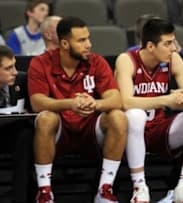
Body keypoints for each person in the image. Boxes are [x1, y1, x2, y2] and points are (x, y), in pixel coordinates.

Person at [27, 16, 128, 203]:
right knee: (45, 118)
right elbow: (37, 102)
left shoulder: (96, 62)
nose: (88, 44)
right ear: (64, 43)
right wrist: (70, 103)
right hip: (59, 129)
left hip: (90, 128)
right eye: (81, 40)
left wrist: (95, 104)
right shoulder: (41, 63)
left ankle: (104, 190)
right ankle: (44, 192)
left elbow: (116, 98)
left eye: (88, 38)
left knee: (118, 117)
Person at [114, 18, 183, 203]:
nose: (174, 48)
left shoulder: (173, 59)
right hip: (129, 132)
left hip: (159, 129)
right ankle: (139, 188)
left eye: (173, 41)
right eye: (167, 43)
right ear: (150, 46)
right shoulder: (126, 60)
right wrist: (166, 100)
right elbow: (126, 102)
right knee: (135, 115)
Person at [0, 45, 33, 203]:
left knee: (26, 134)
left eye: (14, 66)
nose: (14, 72)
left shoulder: (21, 80)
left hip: (12, 134)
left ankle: (21, 197)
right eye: (8, 68)